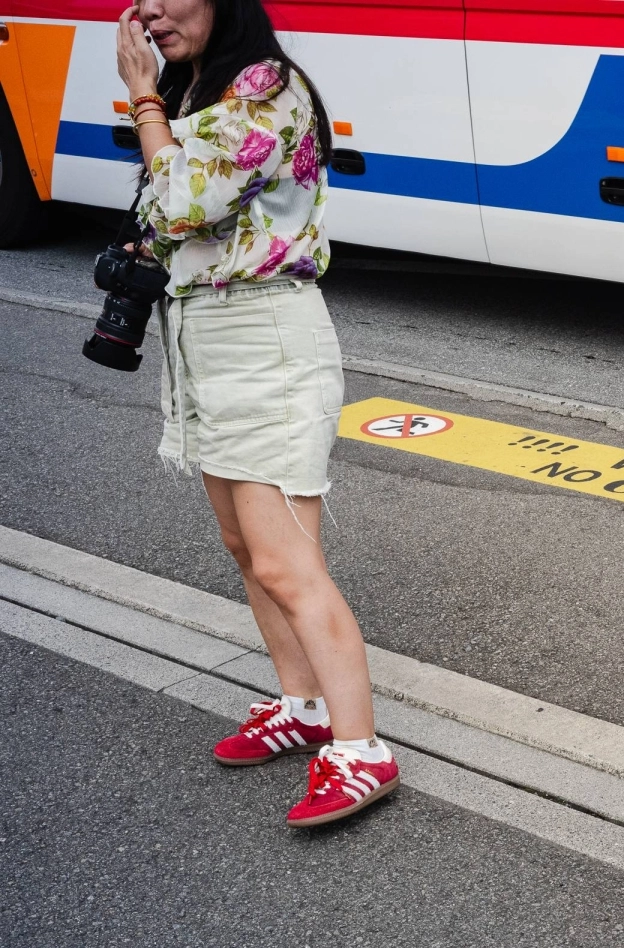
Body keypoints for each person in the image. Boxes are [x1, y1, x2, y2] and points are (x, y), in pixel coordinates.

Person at [116, 0, 398, 826]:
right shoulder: (202, 87)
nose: (152, 11)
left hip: (264, 336)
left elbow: (184, 205)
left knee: (286, 562)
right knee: (246, 546)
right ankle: (303, 706)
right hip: (206, 334)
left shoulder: (263, 85)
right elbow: (173, 223)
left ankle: (361, 749)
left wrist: (143, 101)